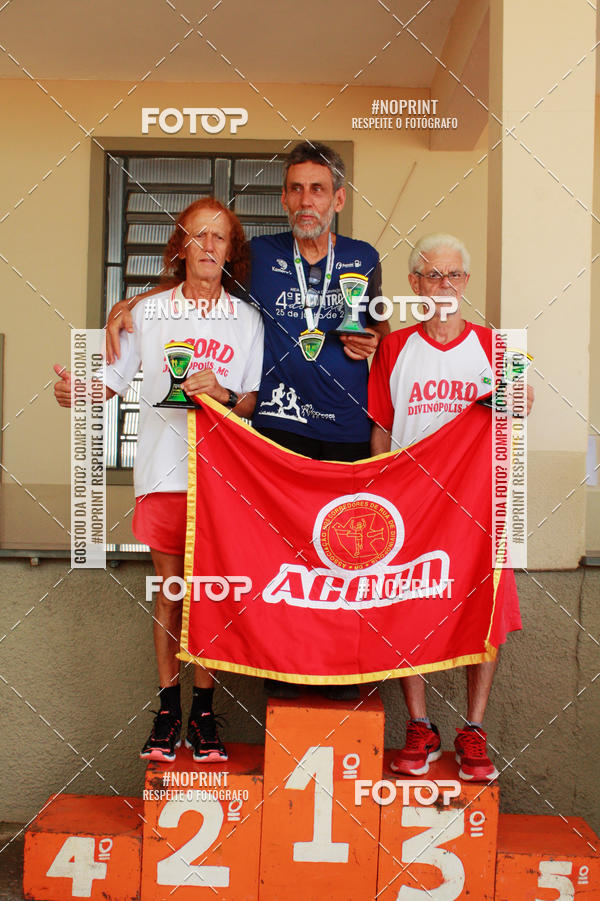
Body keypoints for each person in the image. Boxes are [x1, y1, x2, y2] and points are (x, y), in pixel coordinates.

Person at [104, 141, 390, 700]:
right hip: (273, 437)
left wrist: (375, 340)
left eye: (318, 188)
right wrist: (134, 303)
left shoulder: (364, 255)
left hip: (346, 436)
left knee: (342, 567)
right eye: (296, 188)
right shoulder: (257, 255)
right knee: (278, 574)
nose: (306, 199)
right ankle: (284, 681)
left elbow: (382, 332)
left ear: (339, 198)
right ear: (284, 197)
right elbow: (201, 278)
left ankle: (338, 680)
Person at [54, 198, 264, 763]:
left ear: (230, 250)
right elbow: (112, 381)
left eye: (220, 237)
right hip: (163, 473)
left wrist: (221, 393)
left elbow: (251, 402)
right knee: (172, 596)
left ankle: (204, 711)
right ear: (180, 247)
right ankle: (168, 708)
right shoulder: (147, 313)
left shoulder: (248, 321)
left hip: (222, 483)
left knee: (211, 600)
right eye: (199, 235)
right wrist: (78, 390)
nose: (209, 246)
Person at [368, 233, 533, 782]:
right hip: (410, 507)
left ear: (466, 283)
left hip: (478, 510)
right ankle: (420, 724)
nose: (445, 286)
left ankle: (474, 728)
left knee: (480, 610)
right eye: (433, 276)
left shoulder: (494, 347)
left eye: (455, 276)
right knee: (408, 607)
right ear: (414, 285)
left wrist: (522, 396)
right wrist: (380, 497)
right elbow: (381, 431)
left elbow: (519, 410)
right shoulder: (394, 349)